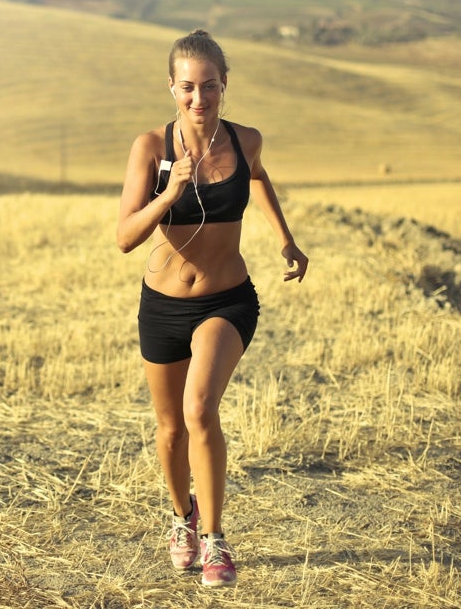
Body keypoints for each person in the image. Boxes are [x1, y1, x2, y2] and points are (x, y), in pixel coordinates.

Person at [116, 29, 308, 587]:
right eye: (188, 88)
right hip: (163, 306)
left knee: (200, 410)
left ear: (226, 85)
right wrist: (168, 195)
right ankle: (182, 519)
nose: (199, 99)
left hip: (227, 299)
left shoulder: (246, 140)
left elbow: (260, 178)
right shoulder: (151, 148)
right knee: (171, 428)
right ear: (171, 88)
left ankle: (216, 539)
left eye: (210, 87)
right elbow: (125, 237)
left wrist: (285, 239)